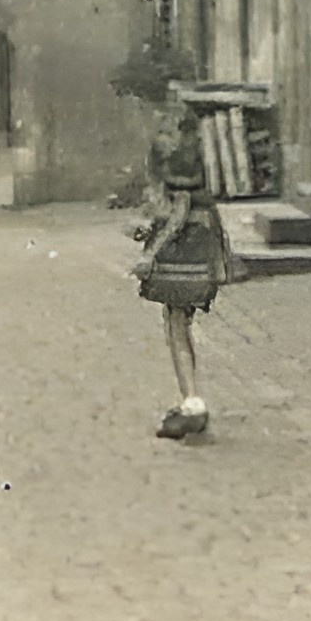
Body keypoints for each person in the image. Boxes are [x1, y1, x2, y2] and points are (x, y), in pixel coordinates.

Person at [131, 99, 235, 440]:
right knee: (177, 322)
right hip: (199, 241)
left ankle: (192, 401)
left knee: (176, 324)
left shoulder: (178, 165)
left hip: (186, 250)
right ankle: (189, 398)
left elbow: (178, 213)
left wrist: (152, 253)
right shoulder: (194, 159)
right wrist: (149, 230)